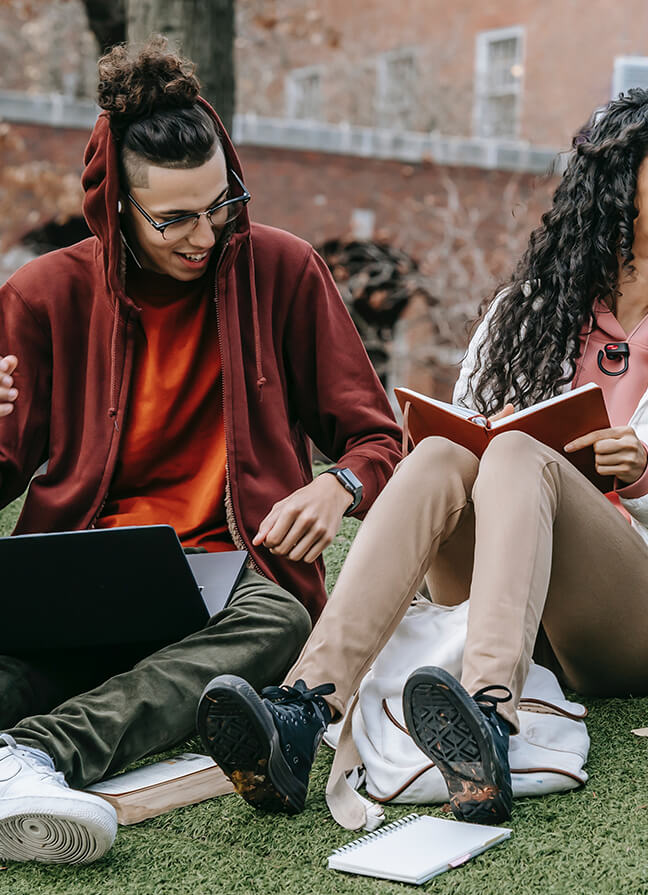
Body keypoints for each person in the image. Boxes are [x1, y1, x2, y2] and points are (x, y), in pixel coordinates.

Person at [196, 86, 648, 831]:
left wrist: (647, 474)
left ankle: (488, 720)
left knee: (516, 453)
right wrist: (488, 436)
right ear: (620, 185)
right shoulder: (524, 314)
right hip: (496, 594)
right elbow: (464, 457)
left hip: (631, 617)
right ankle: (304, 707)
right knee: (448, 449)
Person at [0, 39, 402, 864]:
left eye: (220, 204)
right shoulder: (41, 297)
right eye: (173, 218)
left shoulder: (284, 271)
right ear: (115, 205)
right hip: (78, 574)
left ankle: (35, 753)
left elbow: (377, 436)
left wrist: (338, 489)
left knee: (280, 621)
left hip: (233, 580)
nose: (206, 233)